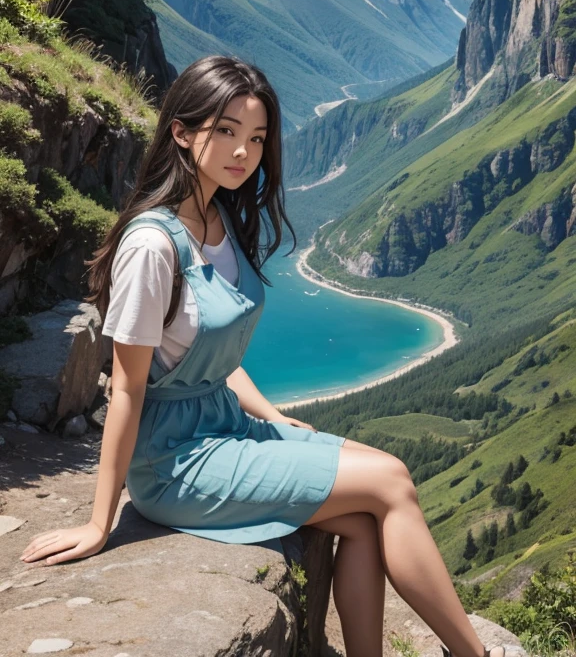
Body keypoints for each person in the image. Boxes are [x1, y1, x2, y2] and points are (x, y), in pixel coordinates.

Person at [20, 55, 506, 657]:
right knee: (390, 480)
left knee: (362, 521)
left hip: (224, 425)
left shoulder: (220, 215)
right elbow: (127, 388)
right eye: (225, 131)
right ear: (180, 129)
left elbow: (213, 355)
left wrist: (271, 418)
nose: (242, 153)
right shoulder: (151, 245)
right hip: (176, 462)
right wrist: (101, 522)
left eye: (255, 138)